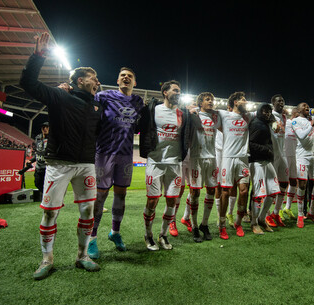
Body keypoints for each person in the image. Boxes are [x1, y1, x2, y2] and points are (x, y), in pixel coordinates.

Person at [20, 33, 102, 280]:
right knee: (49, 213)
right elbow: (29, 83)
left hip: (87, 165)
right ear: (79, 80)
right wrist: (37, 56)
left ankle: (82, 256)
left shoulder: (96, 107)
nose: (97, 82)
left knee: (88, 212)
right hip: (59, 164)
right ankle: (47, 259)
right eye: (93, 78)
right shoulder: (60, 96)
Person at [87, 67, 144, 259]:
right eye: (123, 76)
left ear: (134, 83)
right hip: (104, 153)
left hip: (126, 155)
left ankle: (115, 233)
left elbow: (139, 125)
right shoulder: (104, 96)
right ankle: (91, 238)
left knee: (121, 195)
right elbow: (87, 107)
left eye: (130, 76)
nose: (126, 78)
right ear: (118, 80)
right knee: (100, 196)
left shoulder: (138, 101)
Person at [139, 80, 190, 250]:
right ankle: (148, 235)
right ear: (165, 93)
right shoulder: (153, 110)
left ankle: (163, 234)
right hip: (155, 161)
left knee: (172, 201)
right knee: (152, 201)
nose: (178, 93)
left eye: (180, 91)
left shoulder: (182, 114)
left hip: (174, 163)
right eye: (175, 90)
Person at [185, 92, 222, 241]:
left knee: (211, 190)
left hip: (212, 157)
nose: (211, 102)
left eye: (212, 100)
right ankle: (194, 226)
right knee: (195, 193)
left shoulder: (216, 117)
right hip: (196, 157)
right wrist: (189, 110)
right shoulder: (193, 114)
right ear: (200, 102)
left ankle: (204, 224)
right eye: (207, 100)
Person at [217, 92, 255, 239]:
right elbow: (207, 113)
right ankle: (221, 225)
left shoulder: (248, 116)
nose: (246, 102)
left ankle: (238, 222)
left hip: (243, 159)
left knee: (244, 191)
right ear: (235, 102)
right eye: (243, 100)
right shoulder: (224, 115)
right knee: (225, 192)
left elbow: (266, 111)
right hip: (228, 158)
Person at [291, 102, 314, 228]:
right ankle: (300, 215)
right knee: (303, 184)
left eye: (308, 106)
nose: (307, 107)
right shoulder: (296, 121)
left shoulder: (311, 118)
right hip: (302, 156)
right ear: (298, 110)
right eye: (304, 106)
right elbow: (301, 136)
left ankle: (311, 213)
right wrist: (313, 124)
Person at [248, 103, 280, 234]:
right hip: (257, 162)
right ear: (259, 111)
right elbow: (250, 143)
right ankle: (254, 223)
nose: (267, 113)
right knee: (258, 194)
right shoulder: (256, 124)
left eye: (269, 111)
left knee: (273, 191)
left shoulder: (266, 122)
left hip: (267, 161)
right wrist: (266, 150)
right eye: (264, 111)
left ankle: (262, 219)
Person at [267, 94, 290, 227]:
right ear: (273, 103)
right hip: (273, 154)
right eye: (278, 101)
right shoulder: (269, 115)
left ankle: (276, 212)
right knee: (271, 185)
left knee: (284, 184)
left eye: (283, 100)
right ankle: (266, 214)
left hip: (283, 154)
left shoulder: (285, 117)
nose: (281, 102)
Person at [27, 122, 49, 193]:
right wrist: (31, 161)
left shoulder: (53, 139)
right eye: (43, 127)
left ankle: (47, 200)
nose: (44, 129)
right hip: (39, 168)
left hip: (48, 168)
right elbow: (37, 153)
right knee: (37, 184)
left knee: (48, 186)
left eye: (46, 127)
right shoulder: (38, 138)